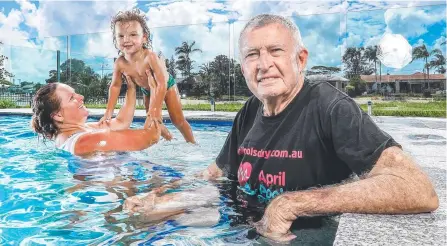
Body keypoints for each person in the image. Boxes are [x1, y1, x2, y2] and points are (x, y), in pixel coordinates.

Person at [124, 14, 439, 242]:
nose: (263, 64)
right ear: (243, 66)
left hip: (293, 235)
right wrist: (164, 195)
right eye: (252, 55)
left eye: (275, 51)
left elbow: (416, 188)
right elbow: (217, 173)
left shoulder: (328, 106)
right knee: (142, 221)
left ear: (300, 58)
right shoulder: (249, 110)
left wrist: (293, 203)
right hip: (238, 225)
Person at [31, 55, 170, 156]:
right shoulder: (88, 140)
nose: (81, 97)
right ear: (58, 115)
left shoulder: (82, 131)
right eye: (72, 98)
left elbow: (121, 122)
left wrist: (131, 87)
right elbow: (150, 137)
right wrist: (157, 90)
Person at [100, 8, 196, 144]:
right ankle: (171, 140)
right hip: (147, 90)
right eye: (121, 36)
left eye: (133, 35)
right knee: (153, 120)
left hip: (166, 86)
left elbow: (162, 83)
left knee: (177, 120)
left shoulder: (150, 57)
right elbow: (115, 86)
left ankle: (192, 143)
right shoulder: (120, 63)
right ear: (115, 39)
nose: (126, 40)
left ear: (144, 38)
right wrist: (109, 112)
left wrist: (156, 108)